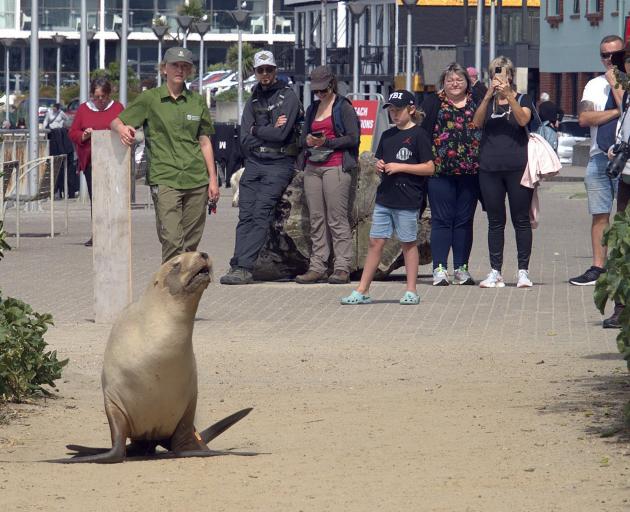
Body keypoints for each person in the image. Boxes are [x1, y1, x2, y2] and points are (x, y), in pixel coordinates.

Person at [112, 47, 219, 263]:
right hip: (165, 176)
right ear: (164, 69)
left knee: (190, 244)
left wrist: (213, 180)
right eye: (175, 65)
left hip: (196, 178)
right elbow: (116, 120)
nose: (180, 69)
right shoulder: (150, 99)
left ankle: (184, 291)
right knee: (171, 239)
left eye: (184, 66)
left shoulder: (196, 101)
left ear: (189, 70)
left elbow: (205, 141)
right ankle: (168, 291)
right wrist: (122, 129)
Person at [340, 90, 434, 305]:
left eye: (398, 109)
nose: (394, 113)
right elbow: (380, 161)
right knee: (375, 241)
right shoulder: (387, 135)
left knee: (408, 242)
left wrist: (401, 167)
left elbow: (429, 167)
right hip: (385, 197)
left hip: (408, 198)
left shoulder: (419, 135)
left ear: (411, 109)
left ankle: (411, 290)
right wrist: (379, 165)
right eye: (391, 109)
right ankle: (362, 290)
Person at [220, 50, 302, 285]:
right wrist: (262, 132)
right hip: (255, 163)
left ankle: (244, 267)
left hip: (278, 164)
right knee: (245, 215)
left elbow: (282, 134)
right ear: (255, 73)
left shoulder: (288, 96)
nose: (265, 74)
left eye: (269, 69)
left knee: (261, 214)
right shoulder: (254, 98)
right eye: (260, 70)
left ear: (275, 71)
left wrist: (258, 129)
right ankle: (237, 263)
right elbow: (244, 137)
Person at [472, 56, 534, 288]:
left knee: (521, 220)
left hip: (518, 167)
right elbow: (476, 123)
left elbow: (523, 119)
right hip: (489, 168)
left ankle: (523, 271)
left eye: (504, 73)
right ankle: (495, 271)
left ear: (511, 76)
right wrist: (488, 96)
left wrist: (509, 95)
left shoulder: (523, 98)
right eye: (495, 74)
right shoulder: (486, 101)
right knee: (495, 221)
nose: (499, 78)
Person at [295, 65, 360, 285]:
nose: (320, 94)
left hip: (336, 164)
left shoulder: (344, 107)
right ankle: (317, 266)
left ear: (332, 84)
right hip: (313, 166)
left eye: (323, 90)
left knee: (337, 218)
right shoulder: (312, 108)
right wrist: (309, 141)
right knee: (316, 219)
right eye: (316, 91)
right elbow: (302, 137)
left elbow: (353, 138)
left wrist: (328, 142)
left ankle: (342, 266)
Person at [570, 34, 624, 286]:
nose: (610, 60)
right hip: (599, 157)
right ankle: (598, 267)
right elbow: (584, 118)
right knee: (600, 214)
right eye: (605, 55)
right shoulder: (593, 85)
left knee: (625, 217)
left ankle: (623, 266)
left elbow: (626, 104)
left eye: (616, 54)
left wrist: (616, 84)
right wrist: (616, 112)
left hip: (627, 160)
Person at [421, 63, 481, 286]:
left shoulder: (477, 102)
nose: (454, 84)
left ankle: (461, 268)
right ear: (443, 84)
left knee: (464, 221)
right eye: (450, 80)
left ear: (467, 83)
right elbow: (422, 133)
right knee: (441, 221)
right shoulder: (434, 102)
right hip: (440, 173)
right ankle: (439, 268)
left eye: (459, 80)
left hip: (470, 173)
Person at [69, 77, 124, 247]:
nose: (100, 100)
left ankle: (114, 233)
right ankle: (98, 233)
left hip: (114, 160)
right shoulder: (84, 109)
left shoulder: (117, 108)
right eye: (96, 97)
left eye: (103, 97)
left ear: (109, 95)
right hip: (92, 161)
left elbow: (127, 127)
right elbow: (73, 132)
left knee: (113, 198)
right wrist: (84, 135)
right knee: (97, 198)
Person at [602, 46, 630, 328]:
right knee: (621, 244)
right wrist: (616, 148)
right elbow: (623, 132)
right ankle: (622, 308)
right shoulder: (629, 96)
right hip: (626, 179)